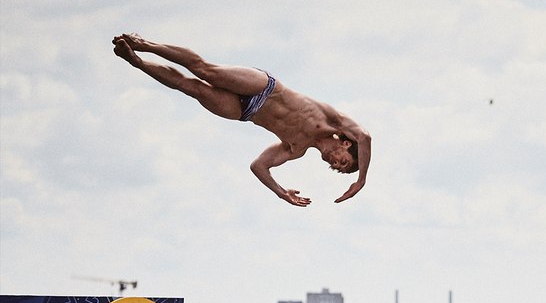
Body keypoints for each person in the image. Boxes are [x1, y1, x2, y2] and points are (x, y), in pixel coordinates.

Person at [111, 33, 370, 207]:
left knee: (191, 87)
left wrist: (281, 193)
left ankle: (136, 61)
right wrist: (360, 181)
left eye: (338, 168)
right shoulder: (332, 120)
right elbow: (365, 136)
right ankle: (144, 44)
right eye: (343, 162)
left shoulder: (296, 149)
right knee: (205, 71)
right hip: (265, 89)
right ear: (346, 145)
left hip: (245, 112)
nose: (335, 164)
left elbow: (258, 166)